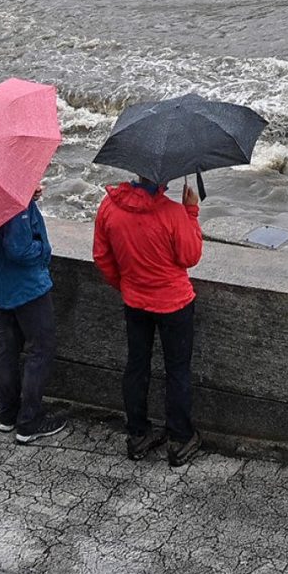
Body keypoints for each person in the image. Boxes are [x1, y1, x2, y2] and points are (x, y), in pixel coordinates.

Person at [92, 174, 204, 466]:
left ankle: (138, 434)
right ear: (163, 177)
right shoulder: (172, 213)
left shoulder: (108, 206)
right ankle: (180, 438)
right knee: (177, 370)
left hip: (135, 302)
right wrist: (191, 211)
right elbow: (190, 256)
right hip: (174, 304)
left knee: (137, 366)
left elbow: (102, 257)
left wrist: (127, 285)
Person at [0, 193, 63, 444]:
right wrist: (43, 249)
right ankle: (30, 420)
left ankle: (7, 414)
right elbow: (19, 249)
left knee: (7, 346)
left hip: (1, 285)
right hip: (26, 288)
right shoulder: (15, 202)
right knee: (41, 348)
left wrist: (29, 195)